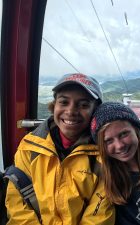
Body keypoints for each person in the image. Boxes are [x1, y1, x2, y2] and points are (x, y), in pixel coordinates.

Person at [5, 73, 115, 224]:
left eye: (83, 105)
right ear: (54, 105)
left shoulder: (102, 156)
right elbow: (16, 200)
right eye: (64, 102)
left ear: (95, 111)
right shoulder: (30, 147)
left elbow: (99, 213)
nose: (71, 111)